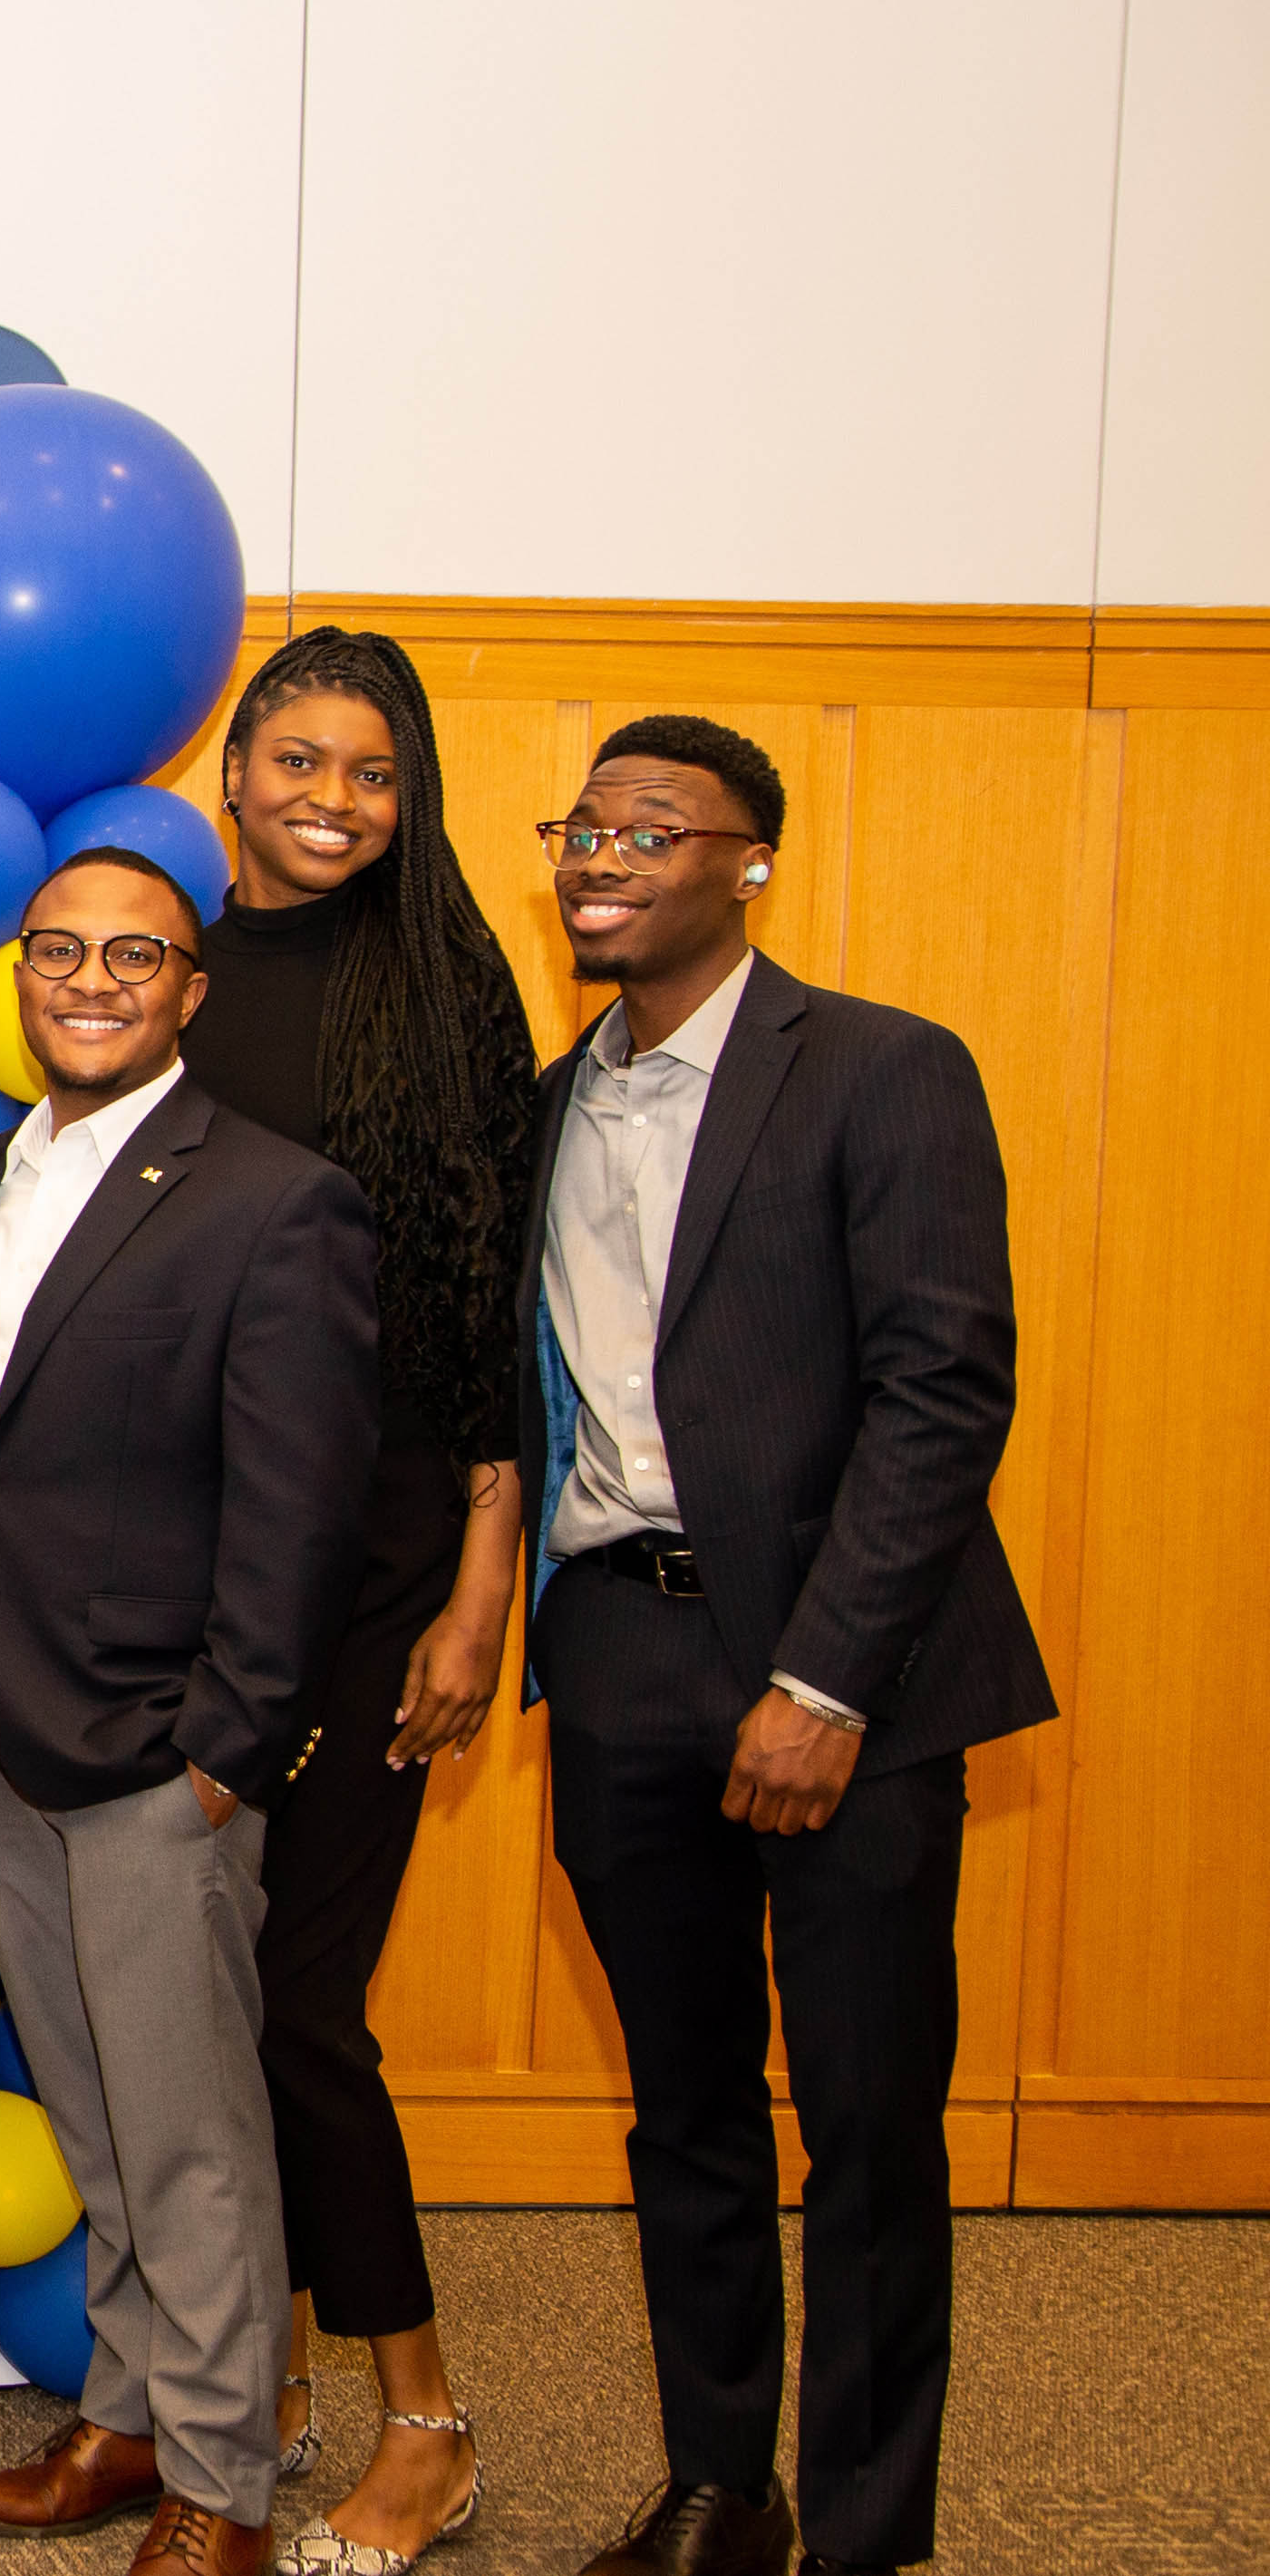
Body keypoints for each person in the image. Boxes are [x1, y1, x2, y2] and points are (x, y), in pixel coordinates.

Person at [518, 719, 1047, 2576]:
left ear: (748, 864)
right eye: (586, 823)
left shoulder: (884, 1070)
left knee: (871, 2128)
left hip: (848, 1678)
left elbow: (941, 1387)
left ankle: (868, 2535)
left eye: (653, 829)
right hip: (617, 1654)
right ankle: (724, 2485)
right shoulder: (549, 1100)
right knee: (685, 2113)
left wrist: (825, 1681)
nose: (605, 852)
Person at [0, 848, 379, 2576]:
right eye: (59, 949)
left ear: (192, 988)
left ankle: (225, 2489)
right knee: (97, 2114)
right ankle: (126, 2416)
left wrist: (226, 1752)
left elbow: (300, 1509)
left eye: (135, 953)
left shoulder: (274, 1199)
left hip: (154, 1752)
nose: (90, 977)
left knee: (192, 2137)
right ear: (19, 974)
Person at [179, 630, 534, 2576]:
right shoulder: (167, 969)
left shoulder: (440, 986)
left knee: (305, 2005)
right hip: (193, 1567)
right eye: (297, 756)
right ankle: (270, 2378)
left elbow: (487, 1326)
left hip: (384, 1562)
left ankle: (430, 2417)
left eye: (373, 770)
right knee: (207, 2010)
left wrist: (481, 1590)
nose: (331, 795)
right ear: (232, 769)